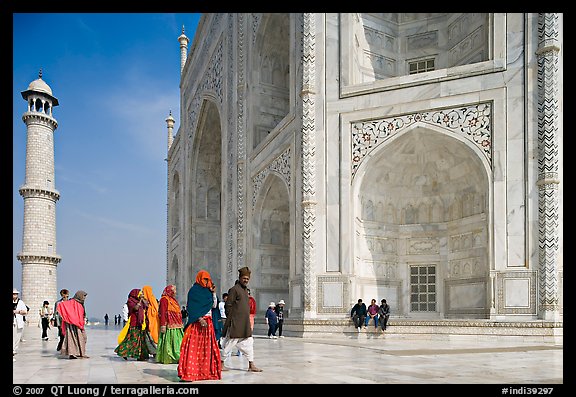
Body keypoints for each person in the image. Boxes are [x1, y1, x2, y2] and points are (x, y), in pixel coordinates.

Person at [178, 270, 221, 382]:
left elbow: (214, 305)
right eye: (204, 279)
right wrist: (199, 318)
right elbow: (191, 307)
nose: (206, 282)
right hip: (197, 323)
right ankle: (190, 373)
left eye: (208, 279)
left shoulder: (208, 292)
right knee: (193, 348)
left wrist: (213, 293)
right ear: (199, 279)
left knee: (206, 350)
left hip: (208, 323)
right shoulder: (194, 291)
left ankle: (204, 372)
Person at [220, 266, 262, 372]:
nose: (246, 280)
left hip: (244, 323)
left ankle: (251, 364)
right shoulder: (234, 290)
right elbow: (228, 306)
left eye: (247, 279)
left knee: (249, 342)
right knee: (230, 343)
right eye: (244, 278)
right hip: (236, 323)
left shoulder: (244, 291)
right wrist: (232, 320)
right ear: (240, 278)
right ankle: (221, 363)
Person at [114, 289, 150, 361]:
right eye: (140, 294)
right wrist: (140, 301)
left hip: (141, 322)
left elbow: (147, 306)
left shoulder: (141, 301)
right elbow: (136, 308)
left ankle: (141, 356)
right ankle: (123, 352)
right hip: (134, 323)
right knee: (132, 340)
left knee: (141, 340)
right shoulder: (131, 301)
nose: (141, 295)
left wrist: (143, 300)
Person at [57, 290, 89, 359]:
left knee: (83, 338)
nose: (84, 298)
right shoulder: (72, 302)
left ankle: (80, 353)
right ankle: (72, 354)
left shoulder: (80, 303)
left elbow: (82, 314)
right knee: (71, 339)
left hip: (78, 324)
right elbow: (62, 306)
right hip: (71, 324)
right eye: (83, 296)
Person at [156, 284, 184, 364]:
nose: (175, 292)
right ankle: (171, 357)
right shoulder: (164, 299)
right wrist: (163, 325)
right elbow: (163, 312)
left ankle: (179, 356)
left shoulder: (173, 300)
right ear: (170, 291)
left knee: (178, 341)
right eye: (174, 290)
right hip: (169, 325)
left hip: (177, 324)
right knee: (169, 342)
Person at [142, 285, 159, 357]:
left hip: (152, 322)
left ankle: (155, 352)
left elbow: (155, 311)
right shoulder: (146, 299)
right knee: (148, 338)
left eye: (143, 291)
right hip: (148, 321)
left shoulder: (151, 299)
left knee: (151, 338)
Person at [13, 288, 28, 361]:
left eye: (15, 294)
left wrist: (18, 311)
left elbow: (25, 312)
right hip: (13, 322)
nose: (14, 295)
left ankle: (14, 349)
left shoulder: (21, 302)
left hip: (19, 321)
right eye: (13, 294)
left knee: (18, 337)